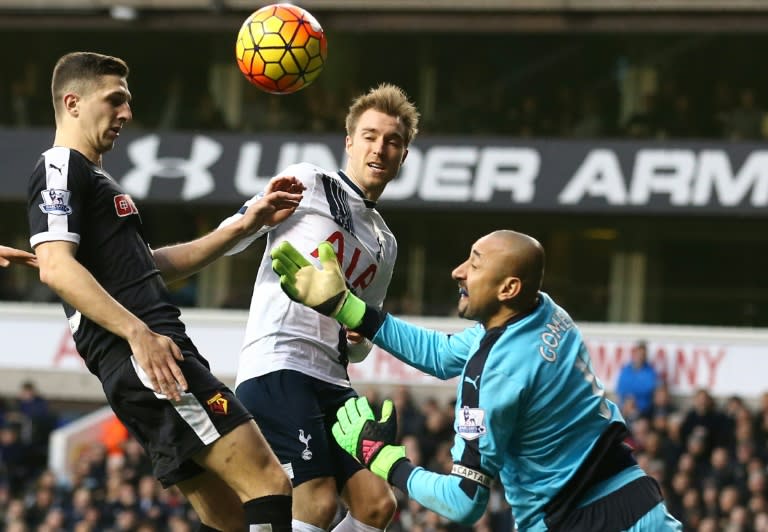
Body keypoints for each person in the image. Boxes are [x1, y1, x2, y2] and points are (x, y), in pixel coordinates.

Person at [27, 51, 304, 531]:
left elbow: (150, 268)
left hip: (139, 362)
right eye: (114, 101)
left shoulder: (92, 179)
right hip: (151, 357)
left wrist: (245, 225)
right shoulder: (59, 166)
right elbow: (55, 267)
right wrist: (139, 334)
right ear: (72, 103)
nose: (126, 114)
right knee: (269, 483)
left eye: (127, 103)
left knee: (234, 518)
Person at [271, 230, 683, 531]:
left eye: (474, 262)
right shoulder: (546, 311)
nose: (458, 272)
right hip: (639, 502)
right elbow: (443, 354)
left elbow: (464, 503)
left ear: (508, 287)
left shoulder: (491, 377)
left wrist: (382, 458)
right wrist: (347, 307)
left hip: (568, 521)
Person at [218, 83, 420, 531]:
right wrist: (253, 221)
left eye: (392, 141)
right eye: (369, 136)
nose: (379, 148)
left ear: (403, 155)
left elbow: (363, 340)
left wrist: (360, 339)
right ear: (349, 142)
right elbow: (234, 235)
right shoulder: (309, 181)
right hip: (279, 362)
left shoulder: (386, 244)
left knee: (378, 507)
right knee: (318, 501)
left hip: (333, 377)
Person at [616, 340, 658, 419]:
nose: (641, 357)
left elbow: (648, 389)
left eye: (643, 354)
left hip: (642, 409)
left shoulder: (650, 371)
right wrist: (628, 399)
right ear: (634, 353)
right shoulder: (626, 369)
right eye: (639, 353)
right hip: (625, 405)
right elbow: (620, 388)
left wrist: (633, 398)